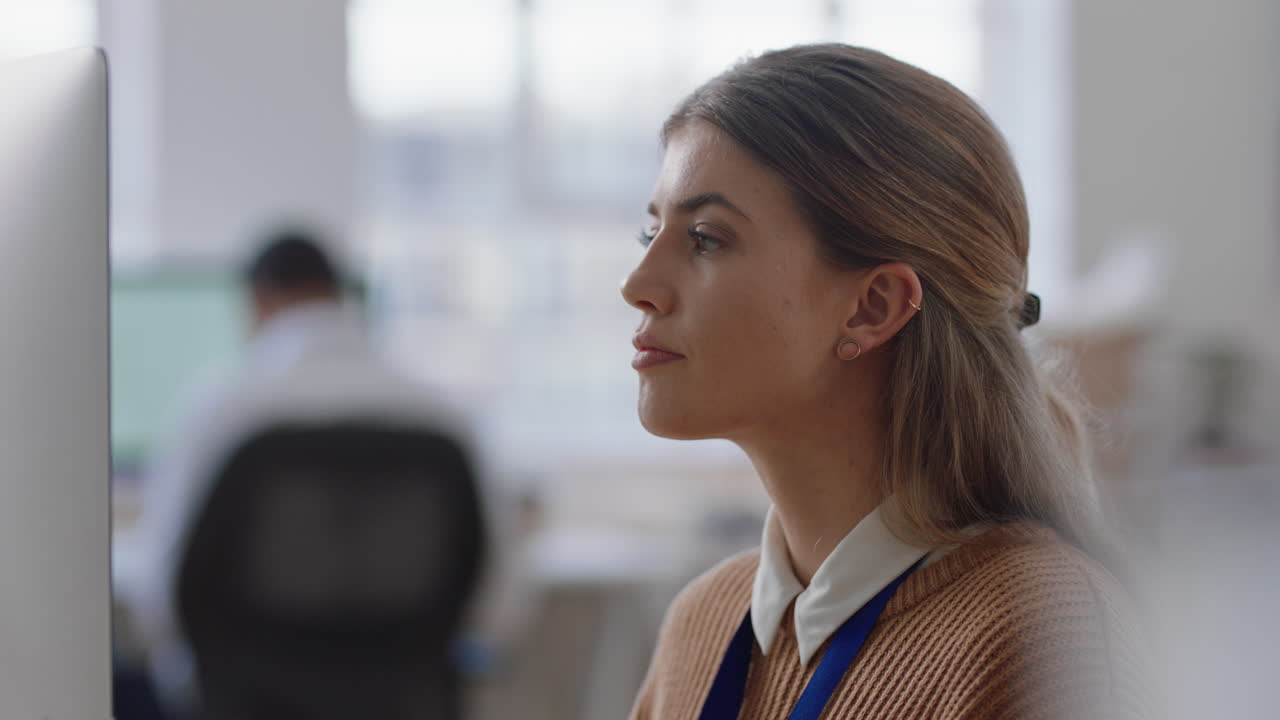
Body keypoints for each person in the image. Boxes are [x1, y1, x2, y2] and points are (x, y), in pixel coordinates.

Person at [622, 45, 1150, 719]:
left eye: (705, 238)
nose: (637, 286)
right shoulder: (703, 624)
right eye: (650, 232)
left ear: (873, 307)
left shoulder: (1046, 643)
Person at [124, 229, 479, 715]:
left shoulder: (222, 407)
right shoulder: (440, 412)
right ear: (338, 294)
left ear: (259, 302)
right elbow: (499, 604)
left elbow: (160, 601)